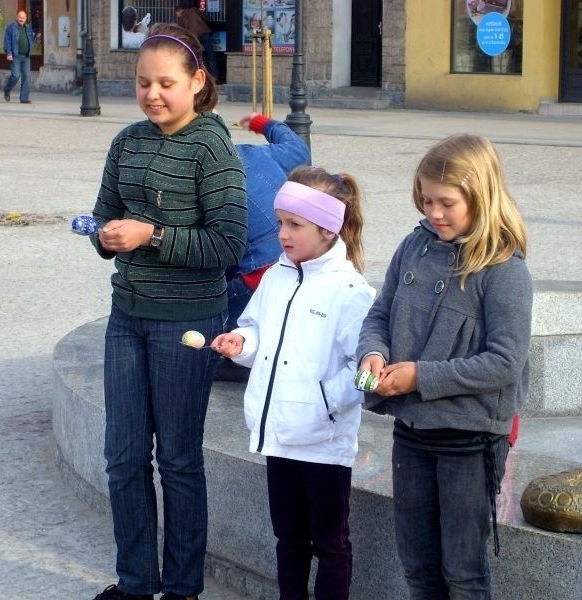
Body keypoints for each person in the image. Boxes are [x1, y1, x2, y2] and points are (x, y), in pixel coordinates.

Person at [88, 22, 248, 600]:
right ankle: (136, 583)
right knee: (123, 457)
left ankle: (182, 588)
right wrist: (105, 236)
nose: (152, 94)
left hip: (188, 321)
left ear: (196, 81)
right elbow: (104, 217)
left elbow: (227, 245)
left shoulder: (213, 146)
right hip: (126, 316)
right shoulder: (126, 142)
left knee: (178, 460)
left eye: (165, 83)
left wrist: (151, 234)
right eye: (142, 82)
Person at [356, 133, 533, 599]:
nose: (433, 213)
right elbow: (379, 314)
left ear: (481, 195)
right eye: (425, 200)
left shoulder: (505, 270)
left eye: (446, 203)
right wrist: (373, 354)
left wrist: (421, 376)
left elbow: (506, 362)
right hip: (412, 433)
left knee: (462, 572)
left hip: (469, 441)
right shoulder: (414, 247)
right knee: (417, 566)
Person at [212, 167, 375, 600]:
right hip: (278, 433)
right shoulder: (276, 276)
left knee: (331, 544)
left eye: (294, 224)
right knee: (288, 539)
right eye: (280, 221)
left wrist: (323, 403)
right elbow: (256, 328)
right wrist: (240, 342)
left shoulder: (351, 292)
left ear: (327, 228)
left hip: (323, 443)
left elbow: (365, 370)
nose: (282, 233)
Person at [214, 112, 310, 382]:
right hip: (293, 262)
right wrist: (260, 122)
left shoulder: (206, 173)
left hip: (257, 275)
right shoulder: (259, 154)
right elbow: (299, 149)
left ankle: (235, 357)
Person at [174, 2, 219, 80]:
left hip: (195, 37)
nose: (177, 16)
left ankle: (198, 76)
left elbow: (183, 31)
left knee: (197, 56)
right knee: (211, 55)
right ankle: (215, 76)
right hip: (205, 32)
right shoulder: (194, 10)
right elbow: (205, 17)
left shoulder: (182, 18)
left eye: (177, 14)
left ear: (178, 11)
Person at [2, 10, 36, 104]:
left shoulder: (28, 28)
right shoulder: (12, 27)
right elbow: (7, 41)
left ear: (26, 19)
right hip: (15, 55)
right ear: (17, 17)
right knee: (15, 75)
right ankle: (7, 90)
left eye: (23, 17)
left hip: (26, 56)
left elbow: (31, 39)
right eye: (20, 17)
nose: (21, 19)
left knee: (27, 77)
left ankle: (24, 98)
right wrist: (8, 53)